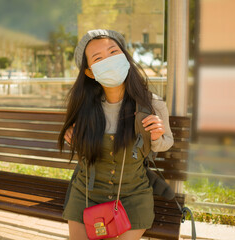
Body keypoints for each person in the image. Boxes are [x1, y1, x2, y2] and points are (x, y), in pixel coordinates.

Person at [58, 29, 174, 240]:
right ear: (90, 72)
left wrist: (156, 136)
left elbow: (167, 143)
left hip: (133, 196)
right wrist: (71, 134)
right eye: (98, 58)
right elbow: (73, 135)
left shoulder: (152, 104)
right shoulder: (84, 106)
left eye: (113, 52)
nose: (109, 60)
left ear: (125, 57)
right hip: (85, 194)